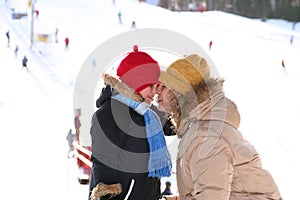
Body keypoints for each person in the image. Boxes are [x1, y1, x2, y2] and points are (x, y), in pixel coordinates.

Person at [157, 54, 282, 200]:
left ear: (178, 92)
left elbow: (211, 195)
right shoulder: (201, 129)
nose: (157, 91)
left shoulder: (205, 136)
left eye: (164, 86)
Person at [89, 45, 172, 200]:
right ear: (137, 83)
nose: (155, 92)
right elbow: (103, 165)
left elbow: (172, 126)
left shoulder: (146, 113)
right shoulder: (111, 113)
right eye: (152, 86)